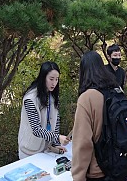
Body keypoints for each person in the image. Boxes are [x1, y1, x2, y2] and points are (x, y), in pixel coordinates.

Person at [71, 51, 119, 181]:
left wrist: (78, 177)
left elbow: (83, 143)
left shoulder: (87, 98)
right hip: (118, 164)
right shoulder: (116, 90)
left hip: (98, 171)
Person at [18, 61, 69, 159]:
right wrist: (57, 137)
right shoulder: (30, 99)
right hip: (29, 151)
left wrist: (56, 143)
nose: (54, 83)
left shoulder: (52, 95)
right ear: (43, 77)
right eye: (51, 79)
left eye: (56, 79)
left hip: (45, 150)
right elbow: (36, 129)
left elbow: (56, 120)